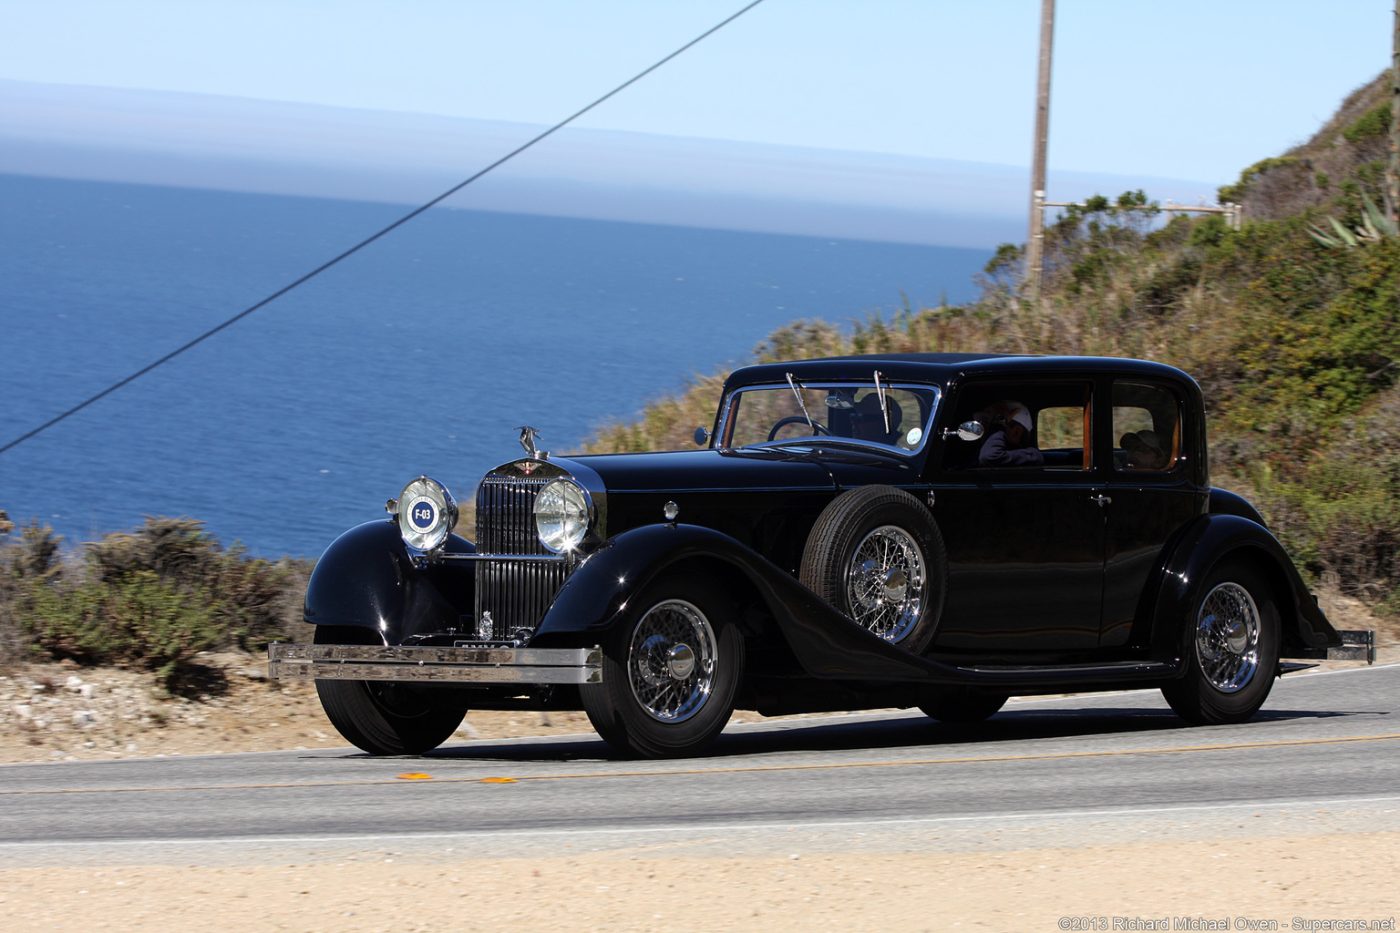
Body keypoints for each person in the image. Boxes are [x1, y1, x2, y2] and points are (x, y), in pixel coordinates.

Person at [978, 401, 1044, 467]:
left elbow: (988, 456)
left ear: (1016, 432)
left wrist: (1000, 425)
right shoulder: (980, 452)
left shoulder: (1033, 455)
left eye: (992, 427)